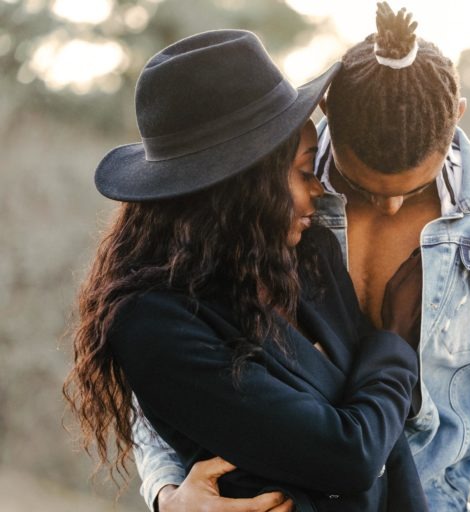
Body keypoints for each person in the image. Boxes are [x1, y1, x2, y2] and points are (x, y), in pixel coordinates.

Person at [136, 3, 470, 511]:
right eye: (361, 186)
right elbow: (174, 372)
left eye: (411, 187)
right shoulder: (261, 206)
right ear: (326, 109)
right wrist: (170, 496)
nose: (389, 206)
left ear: (458, 113)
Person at [63, 29, 429, 512]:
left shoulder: (307, 258)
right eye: (302, 171)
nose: (320, 189)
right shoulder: (154, 323)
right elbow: (351, 455)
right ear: (244, 187)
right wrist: (394, 341)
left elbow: (391, 448)